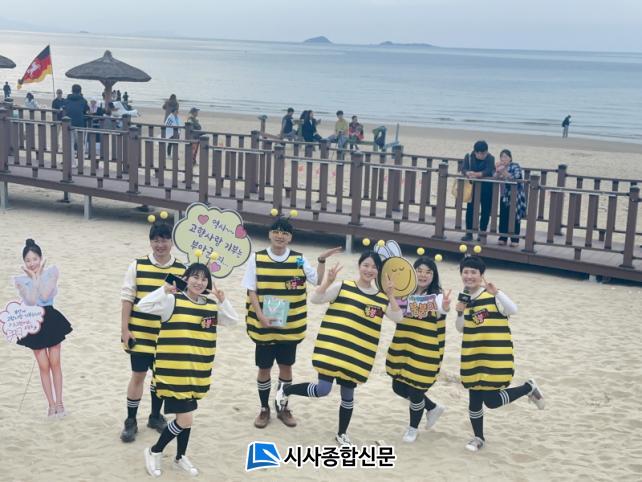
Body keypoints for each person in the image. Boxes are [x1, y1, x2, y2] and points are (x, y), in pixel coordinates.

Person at [276, 251, 402, 446]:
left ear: (378, 271)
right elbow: (316, 299)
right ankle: (287, 390)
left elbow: (398, 318)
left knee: (348, 395)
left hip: (356, 355)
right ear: (359, 266)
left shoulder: (381, 298)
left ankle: (342, 433)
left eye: (374, 267)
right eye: (366, 265)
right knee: (323, 389)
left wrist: (391, 295)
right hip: (333, 350)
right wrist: (327, 282)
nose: (369, 270)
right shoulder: (343, 286)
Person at [140, 262, 239, 477]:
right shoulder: (172, 300)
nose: (199, 282)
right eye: (195, 277)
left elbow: (232, 321)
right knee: (185, 419)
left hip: (197, 371)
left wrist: (223, 301)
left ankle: (180, 457)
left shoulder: (210, 305)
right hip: (173, 373)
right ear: (185, 278)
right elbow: (143, 306)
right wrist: (164, 289)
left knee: (186, 416)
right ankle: (154, 450)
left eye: (204, 279)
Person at [243, 216, 341, 429]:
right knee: (264, 368)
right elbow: (251, 290)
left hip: (290, 326)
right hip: (264, 325)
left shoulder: (298, 259)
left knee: (286, 368)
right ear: (269, 234)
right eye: (276, 231)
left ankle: (282, 406)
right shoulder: (256, 258)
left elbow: (316, 280)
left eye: (285, 233)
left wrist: (321, 261)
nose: (280, 236)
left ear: (290, 238)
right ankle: (264, 408)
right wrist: (260, 316)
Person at [455, 256, 545, 452]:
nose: (469, 276)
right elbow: (460, 328)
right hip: (473, 354)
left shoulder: (492, 295)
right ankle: (478, 438)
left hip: (495, 355)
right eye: (465, 272)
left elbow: (513, 309)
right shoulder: (464, 298)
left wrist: (497, 292)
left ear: (481, 275)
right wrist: (460, 312)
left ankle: (527, 388)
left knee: (492, 400)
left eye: (473, 272)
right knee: (474, 398)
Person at [119, 220, 187, 443]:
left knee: (160, 378)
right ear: (150, 242)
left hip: (167, 336)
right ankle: (131, 420)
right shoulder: (138, 265)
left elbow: (185, 303)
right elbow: (127, 298)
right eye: (156, 240)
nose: (160, 245)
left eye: (164, 240)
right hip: (140, 333)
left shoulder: (181, 270)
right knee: (138, 375)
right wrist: (125, 329)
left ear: (171, 242)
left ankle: (155, 416)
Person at [386, 256, 451, 442]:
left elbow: (441, 308)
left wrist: (445, 307)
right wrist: (391, 296)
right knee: (398, 386)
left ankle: (412, 429)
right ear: (412, 272)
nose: (423, 275)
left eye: (428, 272)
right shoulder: (403, 292)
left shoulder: (437, 296)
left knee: (416, 390)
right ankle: (432, 407)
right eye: (419, 271)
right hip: (404, 345)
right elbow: (394, 315)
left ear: (433, 275)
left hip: (425, 350)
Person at [13, 239, 72, 417]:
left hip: (51, 319)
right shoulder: (21, 281)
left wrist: (38, 277)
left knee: (55, 363)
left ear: (40, 258)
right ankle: (51, 405)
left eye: (35, 259)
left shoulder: (52, 273)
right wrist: (33, 279)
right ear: (24, 262)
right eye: (28, 260)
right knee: (43, 366)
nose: (32, 263)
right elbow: (31, 301)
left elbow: (45, 295)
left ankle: (60, 403)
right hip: (33, 321)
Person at [461, 140, 495, 241]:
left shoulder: (490, 158)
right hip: (472, 188)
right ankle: (469, 233)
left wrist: (477, 174)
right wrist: (467, 173)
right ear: (475, 152)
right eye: (480, 153)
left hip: (487, 188)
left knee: (486, 210)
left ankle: (482, 233)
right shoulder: (468, 157)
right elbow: (463, 169)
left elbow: (488, 170)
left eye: (484, 153)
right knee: (470, 210)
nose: (482, 155)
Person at [494, 149, 526, 247]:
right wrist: (498, 170)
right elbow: (494, 177)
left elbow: (516, 177)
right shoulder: (500, 166)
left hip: (515, 195)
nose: (503, 159)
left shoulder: (515, 166)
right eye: (501, 157)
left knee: (515, 217)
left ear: (510, 158)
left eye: (505, 157)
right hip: (504, 196)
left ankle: (514, 239)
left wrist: (504, 171)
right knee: (503, 216)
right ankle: (503, 238)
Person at [63, 84, 89, 158]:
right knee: (80, 143)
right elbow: (86, 110)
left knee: (70, 143)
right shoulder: (83, 101)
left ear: (72, 91)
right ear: (80, 91)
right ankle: (80, 160)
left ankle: (70, 160)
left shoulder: (67, 100)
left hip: (68, 124)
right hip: (79, 124)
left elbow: (64, 109)